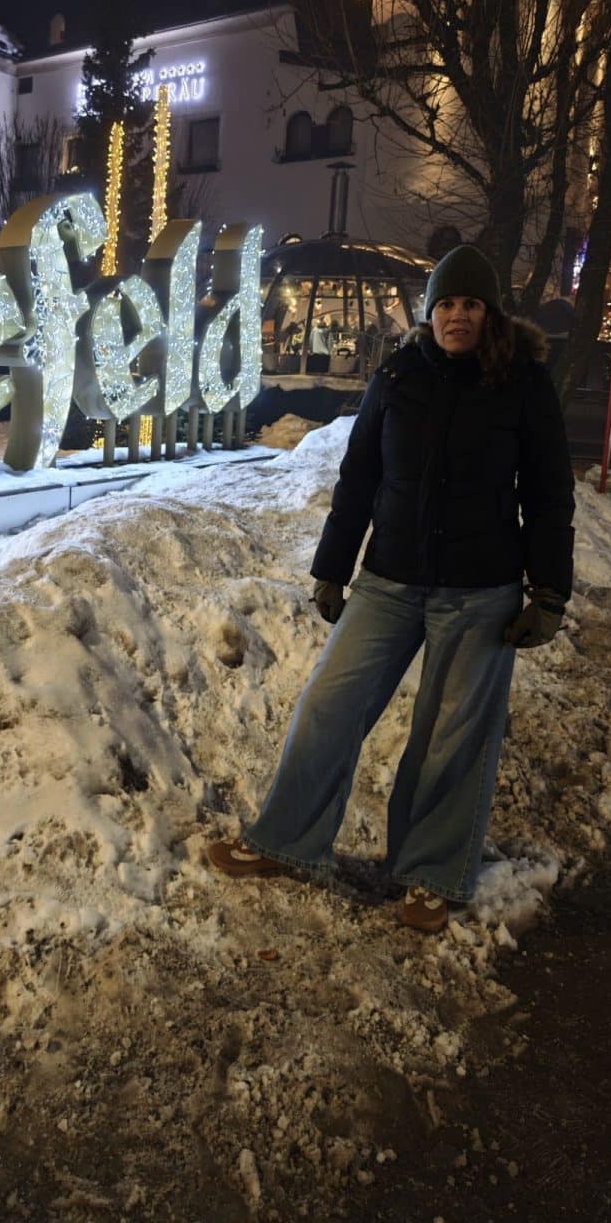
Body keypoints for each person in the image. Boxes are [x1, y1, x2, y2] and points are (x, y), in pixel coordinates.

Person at [207, 245, 575, 932]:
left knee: (450, 738)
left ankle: (431, 876)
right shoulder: (398, 375)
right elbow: (358, 480)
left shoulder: (521, 384)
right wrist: (330, 568)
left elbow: (550, 494)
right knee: (328, 705)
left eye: (470, 304)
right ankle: (287, 840)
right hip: (388, 580)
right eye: (445, 303)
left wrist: (548, 592)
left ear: (488, 314)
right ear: (428, 312)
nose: (456, 316)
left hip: (481, 590)